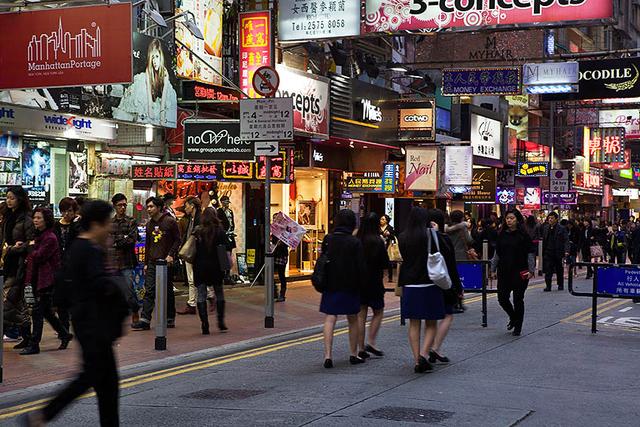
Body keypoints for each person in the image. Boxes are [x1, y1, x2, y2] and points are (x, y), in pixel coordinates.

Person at [21, 200, 129, 427]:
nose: (109, 229)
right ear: (96, 225)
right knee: (90, 377)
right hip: (92, 326)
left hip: (91, 325)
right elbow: (98, 286)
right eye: (107, 224)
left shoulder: (85, 248)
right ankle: (41, 416)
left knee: (107, 384)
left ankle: (42, 416)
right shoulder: (86, 250)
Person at [398, 207, 448, 373]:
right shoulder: (430, 235)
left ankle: (416, 360)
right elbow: (441, 253)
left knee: (414, 323)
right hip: (429, 282)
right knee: (431, 322)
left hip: (409, 283)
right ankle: (424, 354)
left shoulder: (403, 237)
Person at [20, 208, 73, 355]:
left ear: (46, 220)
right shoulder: (38, 235)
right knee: (46, 312)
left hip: (47, 280)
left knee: (37, 311)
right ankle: (64, 334)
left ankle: (34, 344)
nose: (35, 220)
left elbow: (39, 256)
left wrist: (30, 248)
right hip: (38, 277)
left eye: (39, 218)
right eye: (34, 217)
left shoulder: (50, 237)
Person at [320, 209, 367, 368]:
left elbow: (323, 259)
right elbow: (361, 267)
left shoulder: (328, 239)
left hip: (331, 284)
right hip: (350, 285)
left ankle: (328, 356)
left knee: (330, 318)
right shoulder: (355, 242)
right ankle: (353, 354)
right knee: (352, 319)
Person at [132, 197, 181, 331]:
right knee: (149, 290)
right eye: (147, 207)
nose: (149, 209)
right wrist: (146, 262)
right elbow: (148, 245)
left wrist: (170, 255)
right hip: (153, 262)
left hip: (166, 262)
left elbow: (178, 240)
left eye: (151, 206)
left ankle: (170, 317)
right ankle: (145, 319)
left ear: (159, 207)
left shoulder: (170, 221)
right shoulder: (149, 225)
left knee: (167, 290)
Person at [112, 38, 177, 128]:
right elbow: (149, 100)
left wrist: (162, 119)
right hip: (148, 100)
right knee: (140, 85)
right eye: (152, 57)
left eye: (157, 57)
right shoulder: (147, 72)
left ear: (161, 57)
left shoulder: (165, 73)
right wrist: (150, 115)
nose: (154, 61)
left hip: (160, 102)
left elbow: (164, 99)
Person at [491, 209, 535, 336]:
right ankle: (513, 317)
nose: (509, 220)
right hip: (504, 271)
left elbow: (530, 253)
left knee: (518, 299)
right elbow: (497, 254)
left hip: (520, 271)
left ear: (517, 220)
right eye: (507, 218)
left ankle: (518, 326)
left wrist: (531, 270)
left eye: (512, 218)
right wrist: (493, 269)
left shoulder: (523, 235)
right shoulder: (502, 234)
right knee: (502, 298)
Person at [428, 208, 463, 364]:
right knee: (447, 315)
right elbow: (451, 266)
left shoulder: (422, 239)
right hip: (443, 282)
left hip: (426, 283)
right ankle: (435, 348)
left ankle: (428, 349)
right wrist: (458, 288)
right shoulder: (444, 239)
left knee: (432, 317)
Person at [2, 186, 35, 350]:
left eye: (12, 198)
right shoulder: (8, 217)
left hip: (19, 265)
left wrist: (16, 248)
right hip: (8, 263)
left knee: (7, 303)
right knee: (18, 303)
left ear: (20, 199)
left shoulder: (27, 219)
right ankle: (27, 336)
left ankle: (26, 336)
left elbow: (31, 243)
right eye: (7, 197)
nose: (8, 200)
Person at [356, 212, 389, 360]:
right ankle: (371, 341)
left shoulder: (357, 239)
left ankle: (360, 347)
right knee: (378, 311)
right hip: (375, 281)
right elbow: (385, 263)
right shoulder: (378, 240)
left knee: (361, 314)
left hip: (359, 281)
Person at [192, 208, 228, 334]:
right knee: (219, 293)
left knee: (201, 295)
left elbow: (192, 250)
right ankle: (221, 322)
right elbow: (223, 251)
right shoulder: (220, 231)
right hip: (216, 266)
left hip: (200, 266)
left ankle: (204, 324)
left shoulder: (197, 231)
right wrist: (225, 268)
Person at [110, 194, 140, 324]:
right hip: (113, 262)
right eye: (120, 205)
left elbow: (132, 240)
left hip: (127, 261)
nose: (122, 207)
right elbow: (109, 240)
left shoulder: (131, 221)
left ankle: (134, 310)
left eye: (124, 205)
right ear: (114, 206)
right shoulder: (110, 223)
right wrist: (122, 238)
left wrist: (118, 241)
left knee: (129, 289)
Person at [55, 197, 81, 334]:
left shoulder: (77, 225)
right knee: (61, 301)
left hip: (74, 267)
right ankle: (64, 330)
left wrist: (76, 223)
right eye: (64, 211)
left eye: (69, 211)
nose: (66, 214)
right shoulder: (55, 226)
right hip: (59, 266)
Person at [177, 196, 201, 315]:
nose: (185, 208)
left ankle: (196, 302)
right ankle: (192, 303)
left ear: (192, 206)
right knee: (192, 279)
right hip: (189, 252)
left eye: (186, 206)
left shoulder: (199, 219)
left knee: (195, 279)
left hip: (196, 253)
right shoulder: (190, 220)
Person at [542, 212, 569, 292]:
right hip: (548, 252)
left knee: (559, 269)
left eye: (552, 218)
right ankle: (548, 286)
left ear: (556, 219)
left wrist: (566, 250)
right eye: (549, 218)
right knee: (548, 270)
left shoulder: (562, 228)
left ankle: (560, 284)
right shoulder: (546, 228)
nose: (550, 220)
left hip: (558, 252)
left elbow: (566, 240)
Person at [272, 233, 289, 302]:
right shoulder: (276, 232)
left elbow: (287, 244)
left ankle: (282, 294)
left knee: (281, 275)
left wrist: (281, 243)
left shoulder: (287, 233)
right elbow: (273, 242)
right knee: (270, 274)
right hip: (275, 255)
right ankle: (274, 291)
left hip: (282, 256)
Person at [379, 214, 395, 282]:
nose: (381, 221)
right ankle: (380, 276)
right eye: (381, 219)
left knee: (389, 263)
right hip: (379, 246)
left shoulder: (390, 228)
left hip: (388, 246)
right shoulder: (378, 227)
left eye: (383, 219)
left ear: (386, 221)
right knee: (379, 262)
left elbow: (393, 237)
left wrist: (389, 234)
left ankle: (390, 277)